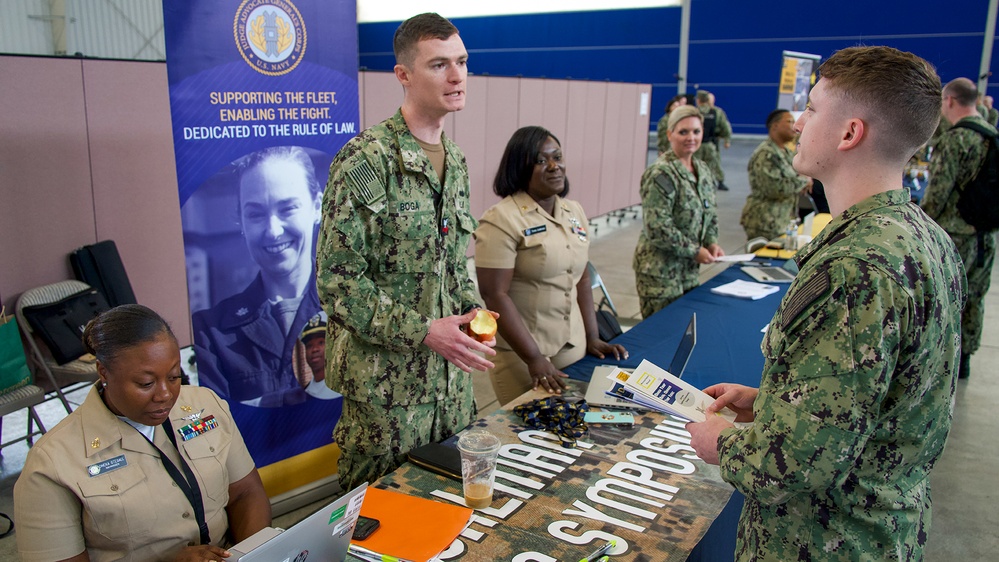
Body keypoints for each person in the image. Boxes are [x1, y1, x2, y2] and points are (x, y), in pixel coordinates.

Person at [685, 46, 966, 561]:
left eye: (812, 108)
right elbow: (885, 399)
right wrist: (771, 401)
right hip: (882, 529)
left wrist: (719, 442)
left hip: (821, 540)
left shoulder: (854, 269)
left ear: (849, 133)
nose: (797, 120)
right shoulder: (925, 237)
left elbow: (799, 463)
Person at [316, 12, 496, 493]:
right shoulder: (366, 158)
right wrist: (424, 332)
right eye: (439, 65)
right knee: (380, 522)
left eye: (462, 62)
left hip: (451, 390)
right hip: (386, 399)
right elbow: (338, 283)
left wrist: (474, 313)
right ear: (403, 75)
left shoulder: (453, 160)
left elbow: (452, 262)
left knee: (449, 518)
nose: (457, 76)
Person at [14, 305, 271, 562]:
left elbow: (245, 493)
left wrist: (250, 556)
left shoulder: (206, 405)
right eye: (146, 384)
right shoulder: (53, 463)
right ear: (103, 372)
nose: (165, 395)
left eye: (173, 376)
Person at [474, 126, 628, 406]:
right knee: (527, 434)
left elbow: (581, 277)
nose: (554, 166)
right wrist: (534, 358)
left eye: (557, 157)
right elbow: (495, 295)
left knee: (575, 426)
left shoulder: (574, 211)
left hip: (572, 343)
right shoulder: (500, 220)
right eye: (541, 160)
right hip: (524, 355)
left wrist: (593, 337)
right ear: (519, 167)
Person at [193, 145, 322, 407]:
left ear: (317, 207)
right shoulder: (211, 332)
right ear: (241, 221)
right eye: (255, 214)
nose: (273, 231)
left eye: (287, 209)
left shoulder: (356, 305)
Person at [922, 77, 997, 379]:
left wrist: (919, 224)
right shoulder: (992, 134)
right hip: (985, 234)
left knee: (946, 298)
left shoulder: (956, 139)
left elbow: (938, 191)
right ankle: (965, 357)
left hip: (954, 236)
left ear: (949, 101)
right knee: (975, 296)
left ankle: (942, 359)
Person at [632, 105, 724, 318]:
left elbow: (710, 212)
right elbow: (658, 227)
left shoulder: (702, 169)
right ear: (669, 134)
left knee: (684, 331)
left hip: (689, 272)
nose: (690, 137)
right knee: (663, 337)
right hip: (660, 275)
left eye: (696, 131)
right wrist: (695, 251)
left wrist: (711, 242)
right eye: (683, 132)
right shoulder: (661, 173)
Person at [740, 109, 812, 240]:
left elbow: (798, 173)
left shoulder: (785, 152)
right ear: (775, 126)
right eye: (789, 122)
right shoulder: (766, 154)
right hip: (765, 222)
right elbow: (775, 189)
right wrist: (804, 181)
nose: (794, 126)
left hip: (782, 220)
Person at [292, 311, 340, 399]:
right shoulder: (305, 393)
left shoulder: (342, 388)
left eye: (321, 343)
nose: (314, 349)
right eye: (309, 345)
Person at [694, 90, 733, 190]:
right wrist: (727, 140)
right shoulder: (717, 112)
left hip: (695, 144)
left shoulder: (693, 112)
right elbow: (725, 127)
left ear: (698, 100)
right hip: (711, 143)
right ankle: (717, 182)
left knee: (695, 164)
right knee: (714, 164)